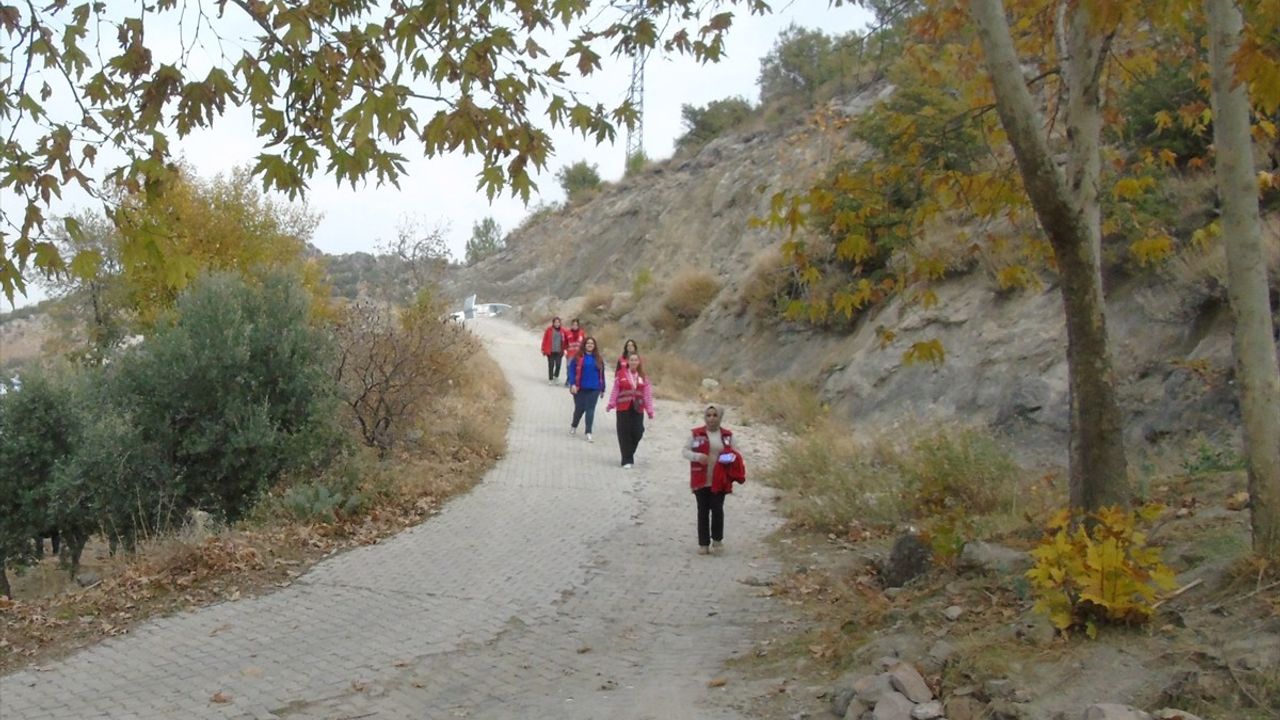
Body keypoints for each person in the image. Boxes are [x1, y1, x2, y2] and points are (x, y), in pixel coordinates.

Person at [682, 405, 746, 555]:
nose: (711, 418)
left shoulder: (727, 436)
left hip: (719, 480)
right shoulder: (696, 434)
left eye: (714, 415)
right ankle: (703, 544)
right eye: (708, 415)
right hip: (701, 479)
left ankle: (717, 541)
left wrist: (721, 460)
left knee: (717, 510)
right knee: (702, 511)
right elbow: (685, 451)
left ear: (720, 417)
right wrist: (697, 457)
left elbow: (737, 454)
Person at [606, 351, 654, 468]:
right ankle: (627, 459)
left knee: (638, 431)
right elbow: (615, 390)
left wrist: (649, 410)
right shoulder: (621, 374)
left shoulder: (643, 377)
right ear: (627, 361)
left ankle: (629, 453)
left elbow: (647, 394)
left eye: (635, 360)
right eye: (631, 360)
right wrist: (611, 404)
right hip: (623, 407)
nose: (633, 362)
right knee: (624, 432)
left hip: (638, 407)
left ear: (639, 362)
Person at [568, 336, 606, 442]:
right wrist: (572, 384)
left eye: (592, 344)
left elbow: (602, 374)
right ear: (584, 345)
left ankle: (588, 432)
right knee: (579, 409)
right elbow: (571, 371)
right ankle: (574, 425)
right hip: (580, 388)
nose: (590, 345)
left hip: (594, 388)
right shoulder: (578, 357)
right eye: (588, 343)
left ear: (595, 346)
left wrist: (603, 388)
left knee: (590, 410)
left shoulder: (598, 359)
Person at [540, 317, 568, 383]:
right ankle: (550, 379)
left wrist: (566, 349)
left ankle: (556, 376)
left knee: (558, 365)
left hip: (559, 351)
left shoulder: (563, 331)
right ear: (553, 323)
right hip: (550, 351)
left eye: (558, 322)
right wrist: (543, 348)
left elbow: (566, 340)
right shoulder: (549, 330)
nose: (557, 324)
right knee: (551, 365)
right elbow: (545, 339)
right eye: (556, 322)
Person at [562, 318, 585, 387]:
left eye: (576, 325)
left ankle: (576, 381)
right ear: (571, 325)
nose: (575, 326)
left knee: (577, 368)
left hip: (579, 354)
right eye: (573, 325)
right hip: (570, 353)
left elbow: (584, 342)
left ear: (578, 326)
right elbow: (565, 342)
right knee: (569, 368)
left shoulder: (581, 333)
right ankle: (569, 380)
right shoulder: (567, 333)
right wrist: (564, 350)